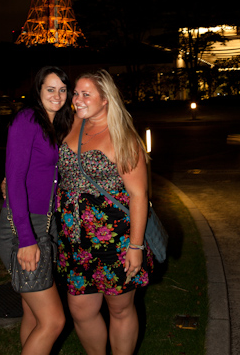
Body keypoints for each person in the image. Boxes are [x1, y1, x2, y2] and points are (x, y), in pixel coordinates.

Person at [57, 69, 153, 355]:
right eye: (76, 92)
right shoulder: (72, 123)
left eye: (87, 94)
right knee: (80, 310)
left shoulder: (123, 138)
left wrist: (135, 246)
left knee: (120, 309)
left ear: (106, 100)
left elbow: (138, 195)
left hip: (116, 241)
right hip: (74, 241)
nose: (77, 99)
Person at [0, 65, 73, 355]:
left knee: (34, 314)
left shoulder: (57, 124)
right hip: (22, 229)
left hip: (44, 225)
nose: (57, 95)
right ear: (38, 91)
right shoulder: (27, 119)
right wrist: (27, 240)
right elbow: (14, 181)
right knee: (54, 321)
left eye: (63, 89)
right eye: (50, 89)